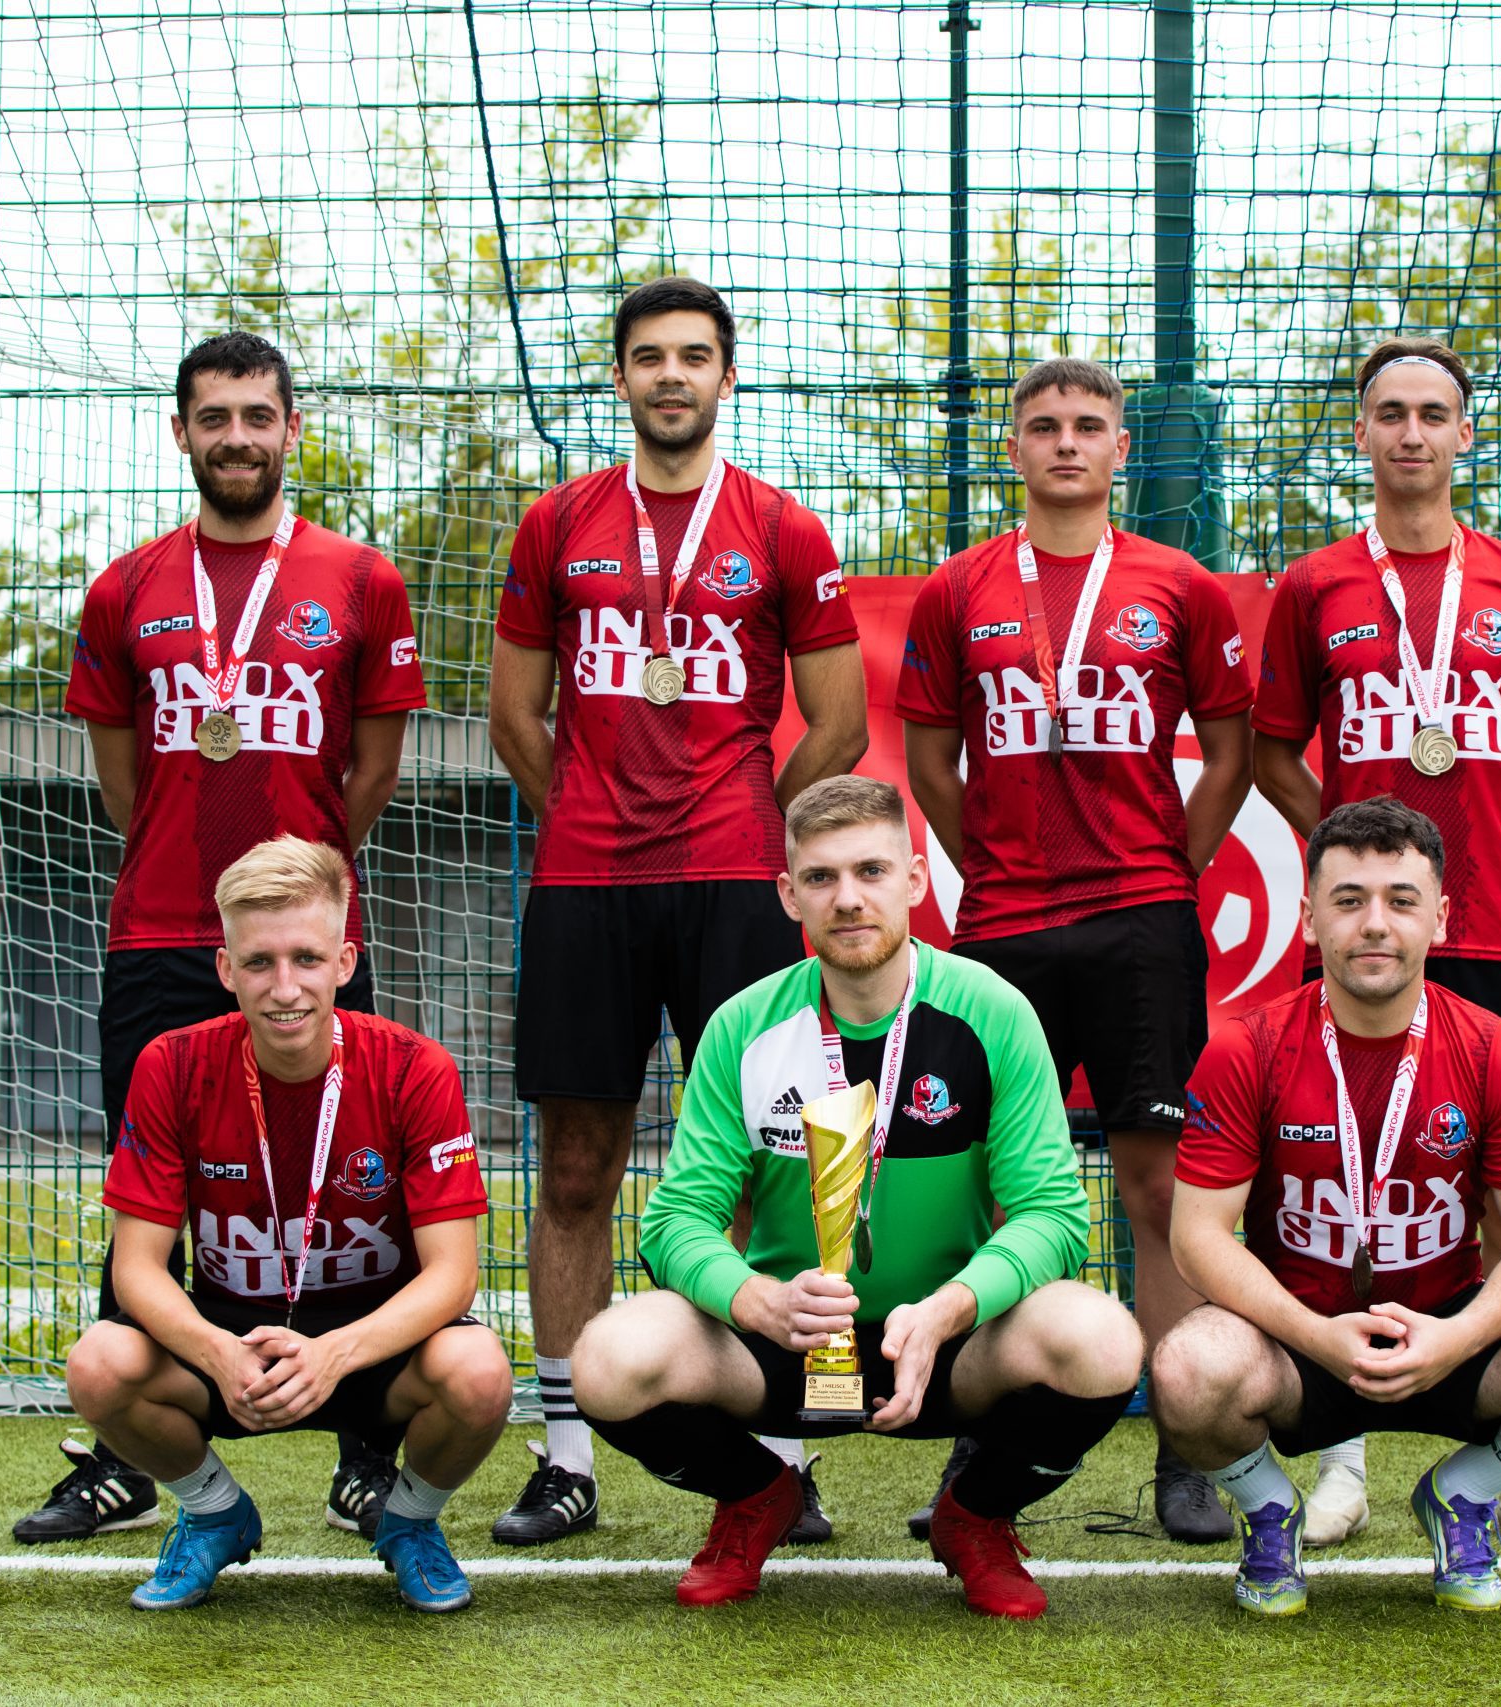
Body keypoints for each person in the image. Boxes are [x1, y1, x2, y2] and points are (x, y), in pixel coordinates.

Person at [29, 331, 428, 1545]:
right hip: (159, 935)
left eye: (259, 415)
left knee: (358, 1188)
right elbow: (124, 778)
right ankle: (129, 1456)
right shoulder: (124, 589)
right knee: (147, 1196)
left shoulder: (361, 580)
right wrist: (193, 872)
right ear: (182, 432)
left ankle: (367, 1446)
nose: (238, 437)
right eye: (215, 417)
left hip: (309, 935)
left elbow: (370, 770)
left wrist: (298, 891)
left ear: (292, 428)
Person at [488, 276, 867, 1546]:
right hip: (586, 886)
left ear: (725, 375)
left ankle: (778, 1453)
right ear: (620, 377)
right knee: (575, 1167)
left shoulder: (782, 528)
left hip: (731, 885)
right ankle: (566, 1454)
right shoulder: (557, 523)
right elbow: (513, 716)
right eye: (648, 356)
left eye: (693, 356)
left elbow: (841, 723)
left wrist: (753, 819)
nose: (670, 376)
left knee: (768, 1163)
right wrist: (588, 812)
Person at [571, 777, 1142, 1618]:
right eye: (821, 877)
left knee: (1101, 1339)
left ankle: (976, 1515)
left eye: (871, 871)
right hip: (788, 1343)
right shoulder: (743, 1026)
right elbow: (675, 1220)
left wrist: (949, 1308)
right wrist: (758, 1300)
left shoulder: (993, 1012)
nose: (847, 898)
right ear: (788, 893)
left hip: (947, 1343)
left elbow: (1054, 1215)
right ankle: (756, 1494)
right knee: (608, 1357)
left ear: (914, 878)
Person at [1247, 336, 1501, 1545]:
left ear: (1463, 434)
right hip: (1357, 942)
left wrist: (1472, 852)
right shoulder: (1312, 588)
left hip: (1493, 926)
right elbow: (1272, 754)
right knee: (1339, 1174)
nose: (1410, 433)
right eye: (1389, 412)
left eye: (1432, 413)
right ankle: (1338, 1452)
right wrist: (1356, 864)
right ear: (1360, 432)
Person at [898, 356, 1253, 1543]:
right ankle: (983, 1444)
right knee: (996, 1190)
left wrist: (1166, 866)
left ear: (1119, 450)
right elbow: (930, 759)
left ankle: (1184, 1448)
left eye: (1088, 425)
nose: (1065, 442)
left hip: (1142, 921)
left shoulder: (1179, 586)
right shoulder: (958, 590)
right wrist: (992, 864)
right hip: (1002, 927)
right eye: (1043, 424)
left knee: (1159, 1188)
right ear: (1013, 446)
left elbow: (1231, 749)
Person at [1150, 799, 1501, 1615]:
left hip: (1448, 1332)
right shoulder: (1247, 1047)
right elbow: (1197, 1237)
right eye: (1349, 900)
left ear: (1440, 918)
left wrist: (1458, 1336)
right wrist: (1314, 1334)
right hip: (1302, 1341)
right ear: (1309, 918)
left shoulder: (1494, 1049)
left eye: (1401, 899)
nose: (1375, 923)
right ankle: (1271, 1511)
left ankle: (1464, 1493)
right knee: (1185, 1368)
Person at [63, 836, 510, 1613]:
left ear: (344, 962)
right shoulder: (171, 1064)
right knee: (98, 1363)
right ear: (225, 969)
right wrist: (217, 1353)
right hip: (231, 1345)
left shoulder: (415, 1068)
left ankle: (408, 1522)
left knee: (480, 1373)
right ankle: (214, 1512)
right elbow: (134, 1267)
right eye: (260, 962)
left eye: (306, 958)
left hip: (373, 1347)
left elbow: (453, 1274)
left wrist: (335, 1354)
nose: (285, 987)